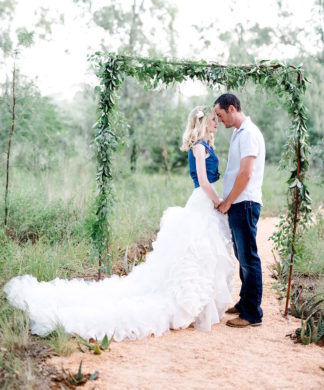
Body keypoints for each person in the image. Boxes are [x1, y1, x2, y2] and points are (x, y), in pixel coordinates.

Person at [4, 106, 234, 342]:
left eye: (218, 119)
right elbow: (204, 182)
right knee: (198, 252)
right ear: (204, 122)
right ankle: (188, 304)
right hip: (203, 200)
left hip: (204, 203)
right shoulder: (198, 147)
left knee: (203, 255)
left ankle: (202, 304)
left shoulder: (206, 145)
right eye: (213, 120)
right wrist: (219, 202)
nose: (216, 123)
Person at [214, 93, 265, 328]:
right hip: (238, 202)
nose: (219, 119)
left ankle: (252, 314)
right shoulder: (238, 133)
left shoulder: (249, 134)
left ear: (232, 109)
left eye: (220, 115)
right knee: (242, 256)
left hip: (244, 202)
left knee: (249, 257)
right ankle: (245, 302)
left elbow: (246, 174)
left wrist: (228, 202)